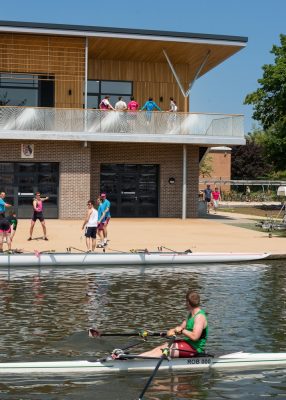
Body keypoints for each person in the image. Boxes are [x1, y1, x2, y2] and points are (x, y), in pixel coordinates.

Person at [140, 290, 208, 358]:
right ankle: (135, 358)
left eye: (185, 302)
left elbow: (195, 337)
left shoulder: (199, 317)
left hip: (195, 349)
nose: (185, 304)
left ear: (188, 303)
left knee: (164, 350)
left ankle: (136, 363)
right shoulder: (191, 315)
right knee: (162, 347)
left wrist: (182, 330)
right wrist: (172, 331)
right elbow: (180, 328)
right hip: (188, 344)